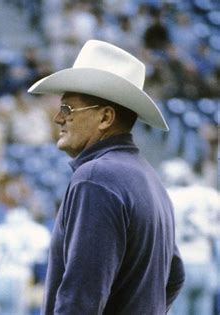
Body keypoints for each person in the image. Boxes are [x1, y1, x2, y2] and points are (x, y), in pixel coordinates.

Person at [27, 40, 185, 314]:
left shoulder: (96, 177)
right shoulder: (149, 177)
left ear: (105, 118)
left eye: (67, 109)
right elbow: (174, 277)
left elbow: (80, 299)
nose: (57, 118)